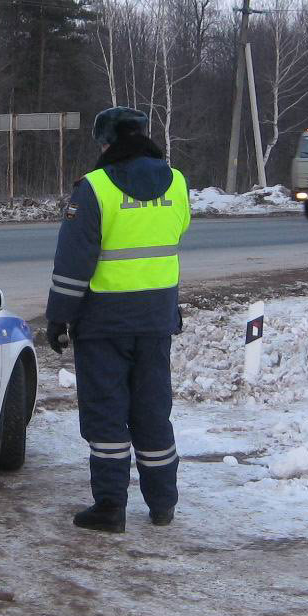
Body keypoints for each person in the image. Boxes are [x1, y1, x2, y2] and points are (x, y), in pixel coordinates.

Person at [45, 106, 191, 532]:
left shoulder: (94, 187)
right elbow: (176, 232)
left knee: (108, 414)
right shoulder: (177, 182)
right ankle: (163, 503)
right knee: (152, 411)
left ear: (106, 142)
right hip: (157, 320)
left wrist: (58, 318)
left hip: (104, 325)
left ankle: (110, 507)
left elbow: (74, 262)